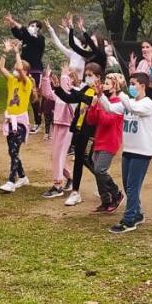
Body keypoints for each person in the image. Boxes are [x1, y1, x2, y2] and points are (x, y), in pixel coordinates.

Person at [106, 72, 152, 233]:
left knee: (132, 188)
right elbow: (110, 108)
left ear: (142, 86)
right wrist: (100, 94)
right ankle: (137, 213)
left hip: (142, 152)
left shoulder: (148, 104)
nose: (131, 86)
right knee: (128, 185)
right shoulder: (130, 101)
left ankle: (129, 220)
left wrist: (120, 91)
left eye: (133, 84)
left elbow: (131, 107)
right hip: (128, 150)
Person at [53, 63, 101, 206]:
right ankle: (76, 192)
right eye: (86, 75)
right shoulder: (85, 89)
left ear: (98, 77)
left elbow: (86, 100)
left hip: (91, 133)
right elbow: (70, 98)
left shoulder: (99, 92)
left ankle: (104, 184)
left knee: (87, 160)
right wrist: (58, 88)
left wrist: (70, 87)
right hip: (80, 130)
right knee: (80, 160)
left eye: (90, 75)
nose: (87, 78)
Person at [84, 73, 128, 214]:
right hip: (100, 139)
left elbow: (107, 121)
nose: (105, 86)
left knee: (99, 169)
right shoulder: (104, 101)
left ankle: (116, 193)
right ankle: (106, 200)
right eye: (105, 83)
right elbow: (91, 121)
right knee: (97, 169)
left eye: (108, 84)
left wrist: (99, 105)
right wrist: (93, 106)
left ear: (116, 87)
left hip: (110, 140)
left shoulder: (118, 104)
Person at [0, 41, 34, 193]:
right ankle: (23, 177)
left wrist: (17, 52)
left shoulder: (28, 84)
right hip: (9, 120)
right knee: (12, 151)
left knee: (14, 151)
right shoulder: (12, 81)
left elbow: (19, 67)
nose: (16, 71)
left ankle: (11, 181)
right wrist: (5, 52)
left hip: (20, 121)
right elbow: (0, 67)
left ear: (26, 72)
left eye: (20, 70)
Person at [5, 13, 47, 133]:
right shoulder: (26, 38)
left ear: (39, 29)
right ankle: (19, 119)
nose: (32, 27)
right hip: (23, 69)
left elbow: (25, 32)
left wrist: (13, 21)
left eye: (35, 25)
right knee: (18, 94)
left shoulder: (39, 39)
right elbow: (18, 33)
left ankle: (38, 123)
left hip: (35, 70)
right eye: (31, 25)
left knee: (33, 97)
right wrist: (11, 25)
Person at [38, 65, 75, 198]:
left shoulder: (73, 95)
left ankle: (57, 186)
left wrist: (65, 76)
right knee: (55, 155)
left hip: (67, 128)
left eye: (67, 78)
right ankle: (70, 178)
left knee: (59, 156)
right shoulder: (60, 94)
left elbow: (67, 95)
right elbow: (47, 93)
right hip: (57, 126)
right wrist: (46, 78)